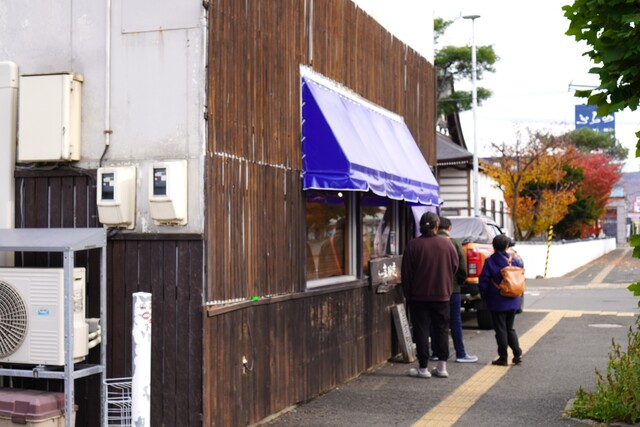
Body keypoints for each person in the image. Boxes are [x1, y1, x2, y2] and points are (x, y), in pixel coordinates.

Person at [401, 212, 459, 378]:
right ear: (436, 225)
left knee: (421, 330)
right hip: (442, 295)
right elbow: (455, 267)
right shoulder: (447, 244)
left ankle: (423, 368)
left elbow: (406, 273)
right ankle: (442, 367)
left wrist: (408, 294)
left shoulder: (413, 244)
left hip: (418, 296)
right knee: (442, 329)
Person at [430, 216, 478, 363]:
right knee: (455, 321)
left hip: (432, 289)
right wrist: (460, 281)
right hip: (452, 288)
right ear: (449, 228)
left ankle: (436, 352)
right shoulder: (454, 243)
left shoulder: (428, 242)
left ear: (437, 227)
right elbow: (462, 267)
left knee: (435, 321)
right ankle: (460, 354)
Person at [478, 234, 524, 366]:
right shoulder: (515, 260)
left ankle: (503, 357)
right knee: (510, 328)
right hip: (513, 298)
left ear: (493, 246)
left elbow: (484, 281)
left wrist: (484, 296)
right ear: (507, 246)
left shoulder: (490, 261)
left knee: (500, 330)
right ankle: (517, 354)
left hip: (497, 300)